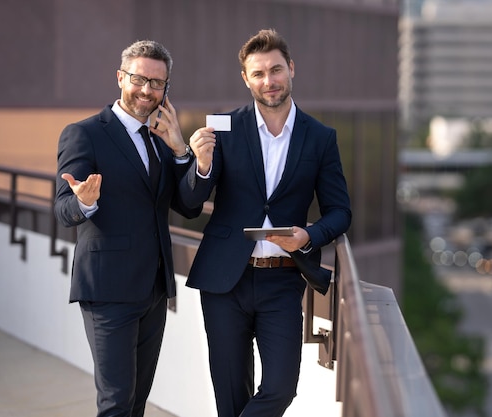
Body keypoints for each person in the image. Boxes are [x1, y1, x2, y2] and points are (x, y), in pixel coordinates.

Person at [180, 29, 352, 417]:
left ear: (291, 69)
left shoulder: (320, 138)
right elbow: (190, 205)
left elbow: (341, 211)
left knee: (280, 388)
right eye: (258, 73)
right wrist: (201, 166)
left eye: (276, 70)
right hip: (225, 280)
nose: (268, 81)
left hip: (282, 281)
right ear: (246, 78)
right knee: (230, 396)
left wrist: (309, 235)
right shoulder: (223, 128)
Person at [54, 40, 202, 417]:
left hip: (153, 288)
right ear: (121, 77)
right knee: (116, 401)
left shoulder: (162, 138)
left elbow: (189, 206)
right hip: (107, 289)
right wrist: (85, 200)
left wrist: (181, 151)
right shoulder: (84, 133)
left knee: (137, 400)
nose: (147, 90)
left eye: (158, 83)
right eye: (139, 79)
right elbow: (62, 208)